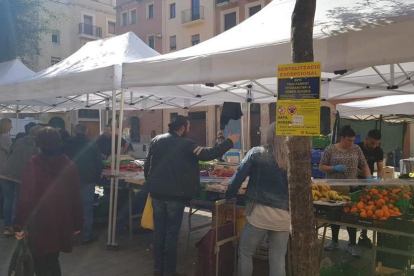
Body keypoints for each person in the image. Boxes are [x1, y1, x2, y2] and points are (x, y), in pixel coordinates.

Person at [145, 115, 239, 276]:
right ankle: (169, 272)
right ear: (182, 128)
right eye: (188, 126)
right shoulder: (186, 144)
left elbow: (148, 165)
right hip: (175, 196)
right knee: (171, 234)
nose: (189, 129)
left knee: (159, 232)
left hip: (157, 194)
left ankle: (157, 269)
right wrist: (229, 141)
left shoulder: (156, 140)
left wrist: (151, 184)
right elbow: (208, 154)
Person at [14, 127, 83, 276]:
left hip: (39, 222)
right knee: (53, 258)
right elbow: (76, 196)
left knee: (38, 260)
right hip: (61, 220)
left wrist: (19, 224)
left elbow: (26, 197)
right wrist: (78, 222)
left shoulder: (33, 164)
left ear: (38, 144)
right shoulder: (70, 165)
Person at [226, 122, 290, 276]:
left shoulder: (256, 152)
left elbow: (239, 175)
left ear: (269, 135)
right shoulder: (291, 157)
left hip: (259, 213)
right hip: (284, 215)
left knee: (245, 252)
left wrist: (229, 194)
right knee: (278, 258)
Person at [319, 125, 371, 257]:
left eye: (353, 140)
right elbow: (321, 167)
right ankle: (335, 241)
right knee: (334, 216)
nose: (351, 143)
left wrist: (369, 177)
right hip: (334, 189)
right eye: (348, 140)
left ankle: (352, 244)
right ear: (342, 138)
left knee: (350, 216)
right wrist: (333, 168)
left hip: (351, 187)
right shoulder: (330, 149)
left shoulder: (356, 148)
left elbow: (364, 165)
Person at [0, 125, 43, 236]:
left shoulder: (19, 140)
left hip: (5, 172)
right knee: (18, 200)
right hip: (21, 175)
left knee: (8, 200)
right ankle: (16, 227)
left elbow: (10, 152)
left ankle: (7, 227)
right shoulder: (38, 147)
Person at [63, 124, 103, 244]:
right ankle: (86, 235)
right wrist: (97, 177)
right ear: (86, 132)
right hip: (87, 180)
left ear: (74, 132)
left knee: (69, 208)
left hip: (68, 180)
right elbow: (98, 162)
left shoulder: (65, 144)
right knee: (87, 209)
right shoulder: (91, 144)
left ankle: (68, 234)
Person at [357, 129, 384, 247]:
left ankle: (363, 233)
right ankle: (352, 239)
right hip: (354, 180)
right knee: (355, 210)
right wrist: (366, 175)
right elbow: (352, 166)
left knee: (367, 209)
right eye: (372, 143)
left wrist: (378, 179)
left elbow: (381, 168)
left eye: (377, 143)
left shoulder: (378, 151)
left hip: (368, 183)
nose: (374, 146)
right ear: (366, 138)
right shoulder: (357, 148)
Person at [0, 118, 13, 235]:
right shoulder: (4, 137)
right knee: (7, 196)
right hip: (3, 169)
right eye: (10, 125)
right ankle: (6, 219)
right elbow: (11, 151)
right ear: (5, 125)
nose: (11, 127)